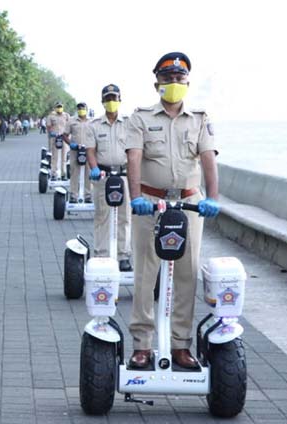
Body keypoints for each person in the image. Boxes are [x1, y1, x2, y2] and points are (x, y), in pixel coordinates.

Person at [125, 52, 220, 370]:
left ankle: (181, 345)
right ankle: (142, 345)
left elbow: (208, 159)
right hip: (150, 204)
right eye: (168, 79)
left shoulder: (200, 119)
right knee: (145, 273)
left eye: (179, 79)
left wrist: (213, 198)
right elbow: (134, 158)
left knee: (187, 274)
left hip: (189, 203)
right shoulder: (140, 117)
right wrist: (135, 197)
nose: (174, 83)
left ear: (187, 83)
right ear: (157, 84)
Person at [87, 84, 132, 271]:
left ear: (120, 100)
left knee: (125, 217)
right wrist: (95, 168)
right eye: (108, 99)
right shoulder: (95, 125)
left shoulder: (129, 123)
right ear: (102, 102)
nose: (111, 102)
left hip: (124, 175)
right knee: (102, 216)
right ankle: (102, 255)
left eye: (114, 98)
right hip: (103, 176)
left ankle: (123, 255)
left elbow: (135, 150)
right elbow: (90, 150)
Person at [64, 102, 94, 203]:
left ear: (87, 109)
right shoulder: (71, 121)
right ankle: (73, 195)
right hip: (75, 151)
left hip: (89, 151)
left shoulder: (92, 121)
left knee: (88, 173)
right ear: (77, 110)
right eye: (80, 108)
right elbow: (65, 135)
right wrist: (71, 144)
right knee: (74, 172)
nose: (81, 110)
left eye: (83, 108)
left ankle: (88, 195)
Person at [47, 102, 70, 180]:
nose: (59, 108)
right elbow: (49, 127)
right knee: (55, 157)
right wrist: (51, 133)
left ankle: (64, 174)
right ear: (55, 107)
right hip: (55, 138)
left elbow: (70, 125)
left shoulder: (66, 115)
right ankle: (53, 174)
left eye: (60, 106)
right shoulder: (51, 116)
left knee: (64, 157)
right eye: (58, 107)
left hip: (64, 138)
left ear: (63, 107)